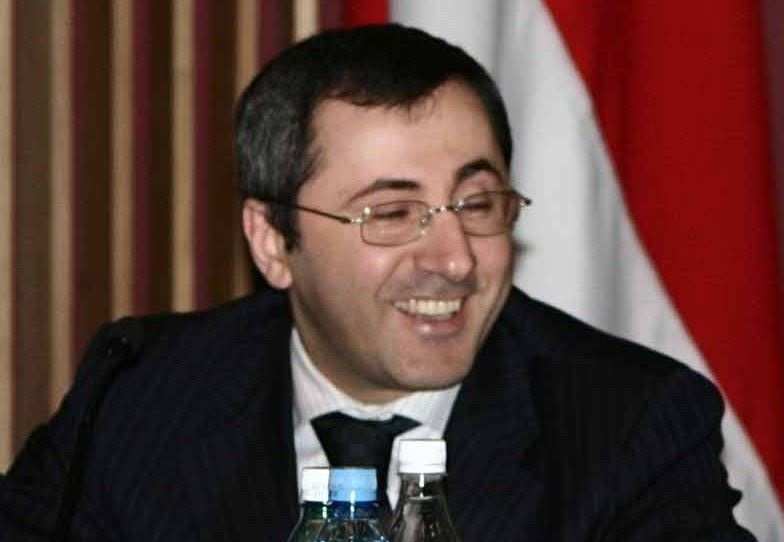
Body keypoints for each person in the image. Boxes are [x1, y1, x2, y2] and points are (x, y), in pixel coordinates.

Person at [0, 24, 755, 541]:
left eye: (477, 204)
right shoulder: (142, 394)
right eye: (392, 214)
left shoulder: (628, 424)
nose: (455, 260)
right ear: (273, 241)